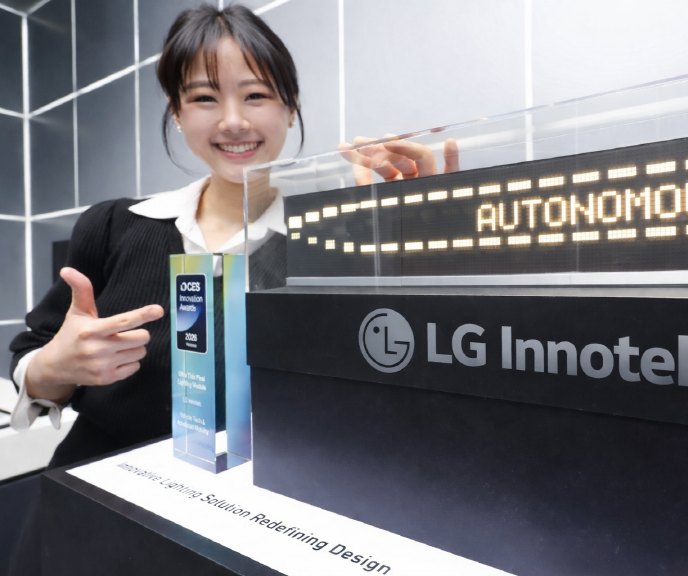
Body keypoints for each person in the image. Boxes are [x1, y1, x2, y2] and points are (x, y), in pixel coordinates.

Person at [7, 5, 458, 574]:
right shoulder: (114, 225)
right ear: (176, 112)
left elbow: (398, 389)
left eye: (256, 95)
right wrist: (55, 367)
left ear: (291, 106)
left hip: (259, 527)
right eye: (203, 98)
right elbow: (34, 355)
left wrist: (414, 248)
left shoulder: (336, 240)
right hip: (92, 514)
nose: (233, 121)